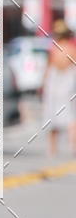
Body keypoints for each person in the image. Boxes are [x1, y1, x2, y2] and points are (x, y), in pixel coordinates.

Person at [41, 19, 76, 157]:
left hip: (54, 86)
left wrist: (43, 84)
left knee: (52, 117)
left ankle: (52, 149)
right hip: (68, 86)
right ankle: (73, 146)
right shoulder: (72, 49)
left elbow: (49, 69)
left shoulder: (54, 49)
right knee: (71, 116)